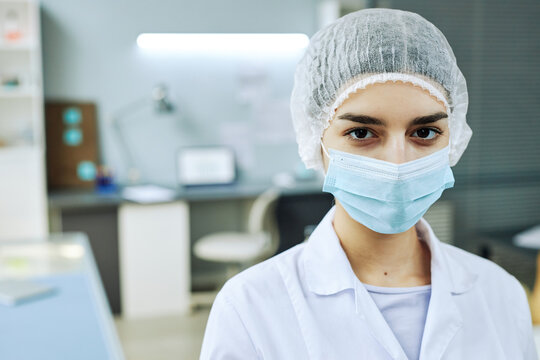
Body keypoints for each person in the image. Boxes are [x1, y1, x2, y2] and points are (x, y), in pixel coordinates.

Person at [200, 8, 537, 360]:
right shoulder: (249, 309)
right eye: (361, 133)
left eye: (424, 132)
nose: (397, 161)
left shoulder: (501, 294)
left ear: (452, 140)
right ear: (316, 139)